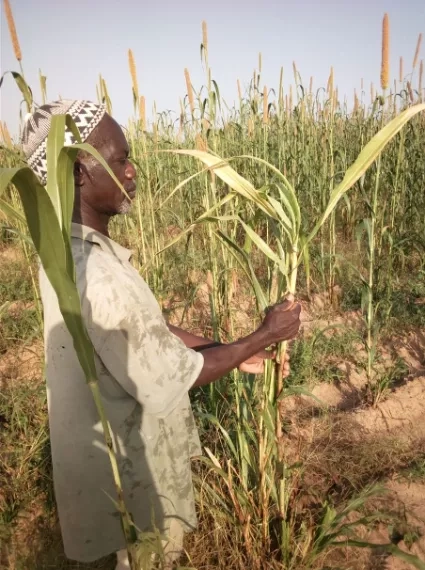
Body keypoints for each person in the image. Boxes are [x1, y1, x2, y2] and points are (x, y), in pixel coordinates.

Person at [21, 100, 301, 570]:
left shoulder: (71, 256)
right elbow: (166, 378)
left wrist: (230, 351)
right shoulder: (99, 277)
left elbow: (148, 333)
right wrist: (264, 334)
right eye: (120, 160)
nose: (132, 172)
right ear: (79, 173)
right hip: (131, 487)